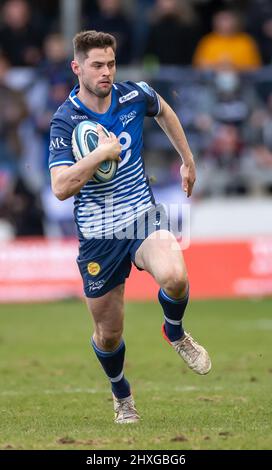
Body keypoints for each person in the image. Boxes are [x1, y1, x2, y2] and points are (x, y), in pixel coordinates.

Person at [49, 30, 211, 424]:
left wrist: (187, 160)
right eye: (97, 66)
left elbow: (165, 111)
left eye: (111, 64)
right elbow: (60, 188)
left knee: (175, 276)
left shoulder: (133, 95)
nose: (106, 72)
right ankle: (122, 394)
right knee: (109, 335)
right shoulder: (65, 120)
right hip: (98, 237)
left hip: (141, 217)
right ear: (77, 68)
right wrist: (101, 154)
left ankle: (174, 331)